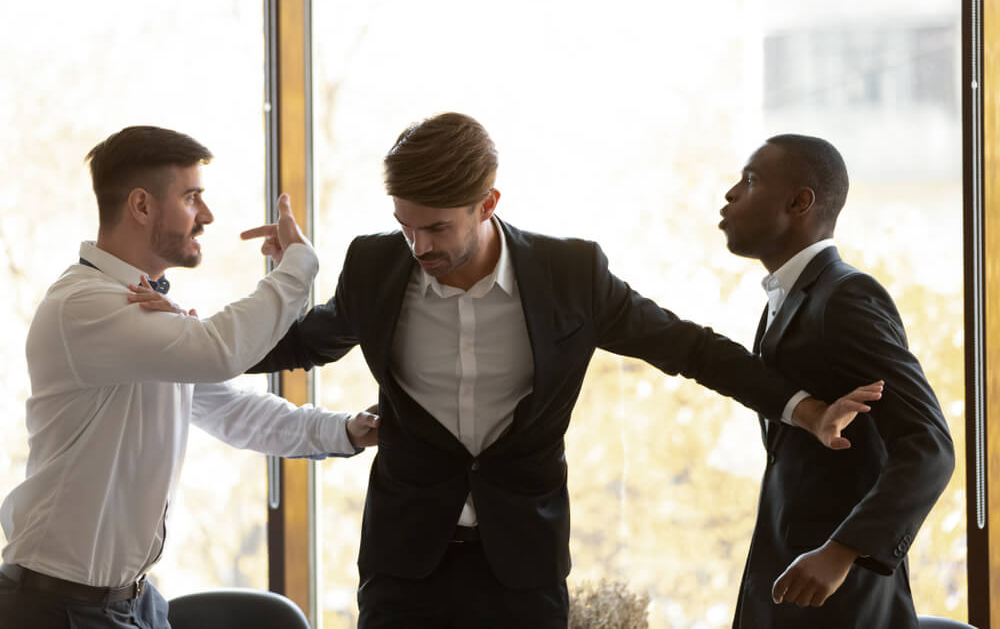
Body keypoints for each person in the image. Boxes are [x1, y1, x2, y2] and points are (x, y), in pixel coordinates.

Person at [246, 112, 880, 628]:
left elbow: (690, 348)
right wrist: (179, 333)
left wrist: (805, 408)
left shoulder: (569, 275)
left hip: (523, 567)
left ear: (488, 202)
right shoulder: (376, 266)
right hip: (402, 566)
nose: (420, 248)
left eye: (436, 228)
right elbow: (304, 344)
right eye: (405, 227)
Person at [0, 125, 379, 629]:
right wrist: (298, 265)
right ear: (141, 205)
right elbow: (219, 351)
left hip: (134, 604)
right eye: (192, 197)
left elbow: (231, 409)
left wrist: (345, 430)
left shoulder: (143, 308)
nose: (207, 216)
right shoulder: (84, 306)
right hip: (59, 609)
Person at [719, 134, 955, 628]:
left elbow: (929, 445)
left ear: (799, 201)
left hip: (841, 604)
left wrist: (842, 551)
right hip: (791, 587)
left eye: (750, 180)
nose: (731, 194)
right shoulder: (788, 299)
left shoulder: (846, 298)